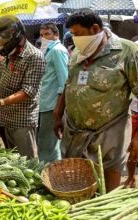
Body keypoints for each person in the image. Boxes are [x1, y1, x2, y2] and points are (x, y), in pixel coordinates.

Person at [53, 8, 138, 191]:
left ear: (94, 28)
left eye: (78, 33)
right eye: (73, 34)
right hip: (75, 130)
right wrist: (58, 113)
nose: (75, 38)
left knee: (108, 178)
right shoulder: (78, 51)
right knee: (78, 178)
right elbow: (69, 84)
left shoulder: (127, 52)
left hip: (110, 131)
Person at [0, 15, 45, 158]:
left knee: (28, 162)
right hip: (6, 117)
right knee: (13, 160)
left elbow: (28, 91)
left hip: (22, 120)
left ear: (14, 34)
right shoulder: (10, 55)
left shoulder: (34, 56)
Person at [36, 23, 69, 163]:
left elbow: (64, 80)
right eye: (42, 35)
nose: (44, 37)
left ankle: (51, 174)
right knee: (44, 142)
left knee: (48, 144)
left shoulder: (58, 50)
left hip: (52, 104)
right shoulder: (46, 50)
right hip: (43, 102)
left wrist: (58, 107)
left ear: (56, 35)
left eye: (47, 34)